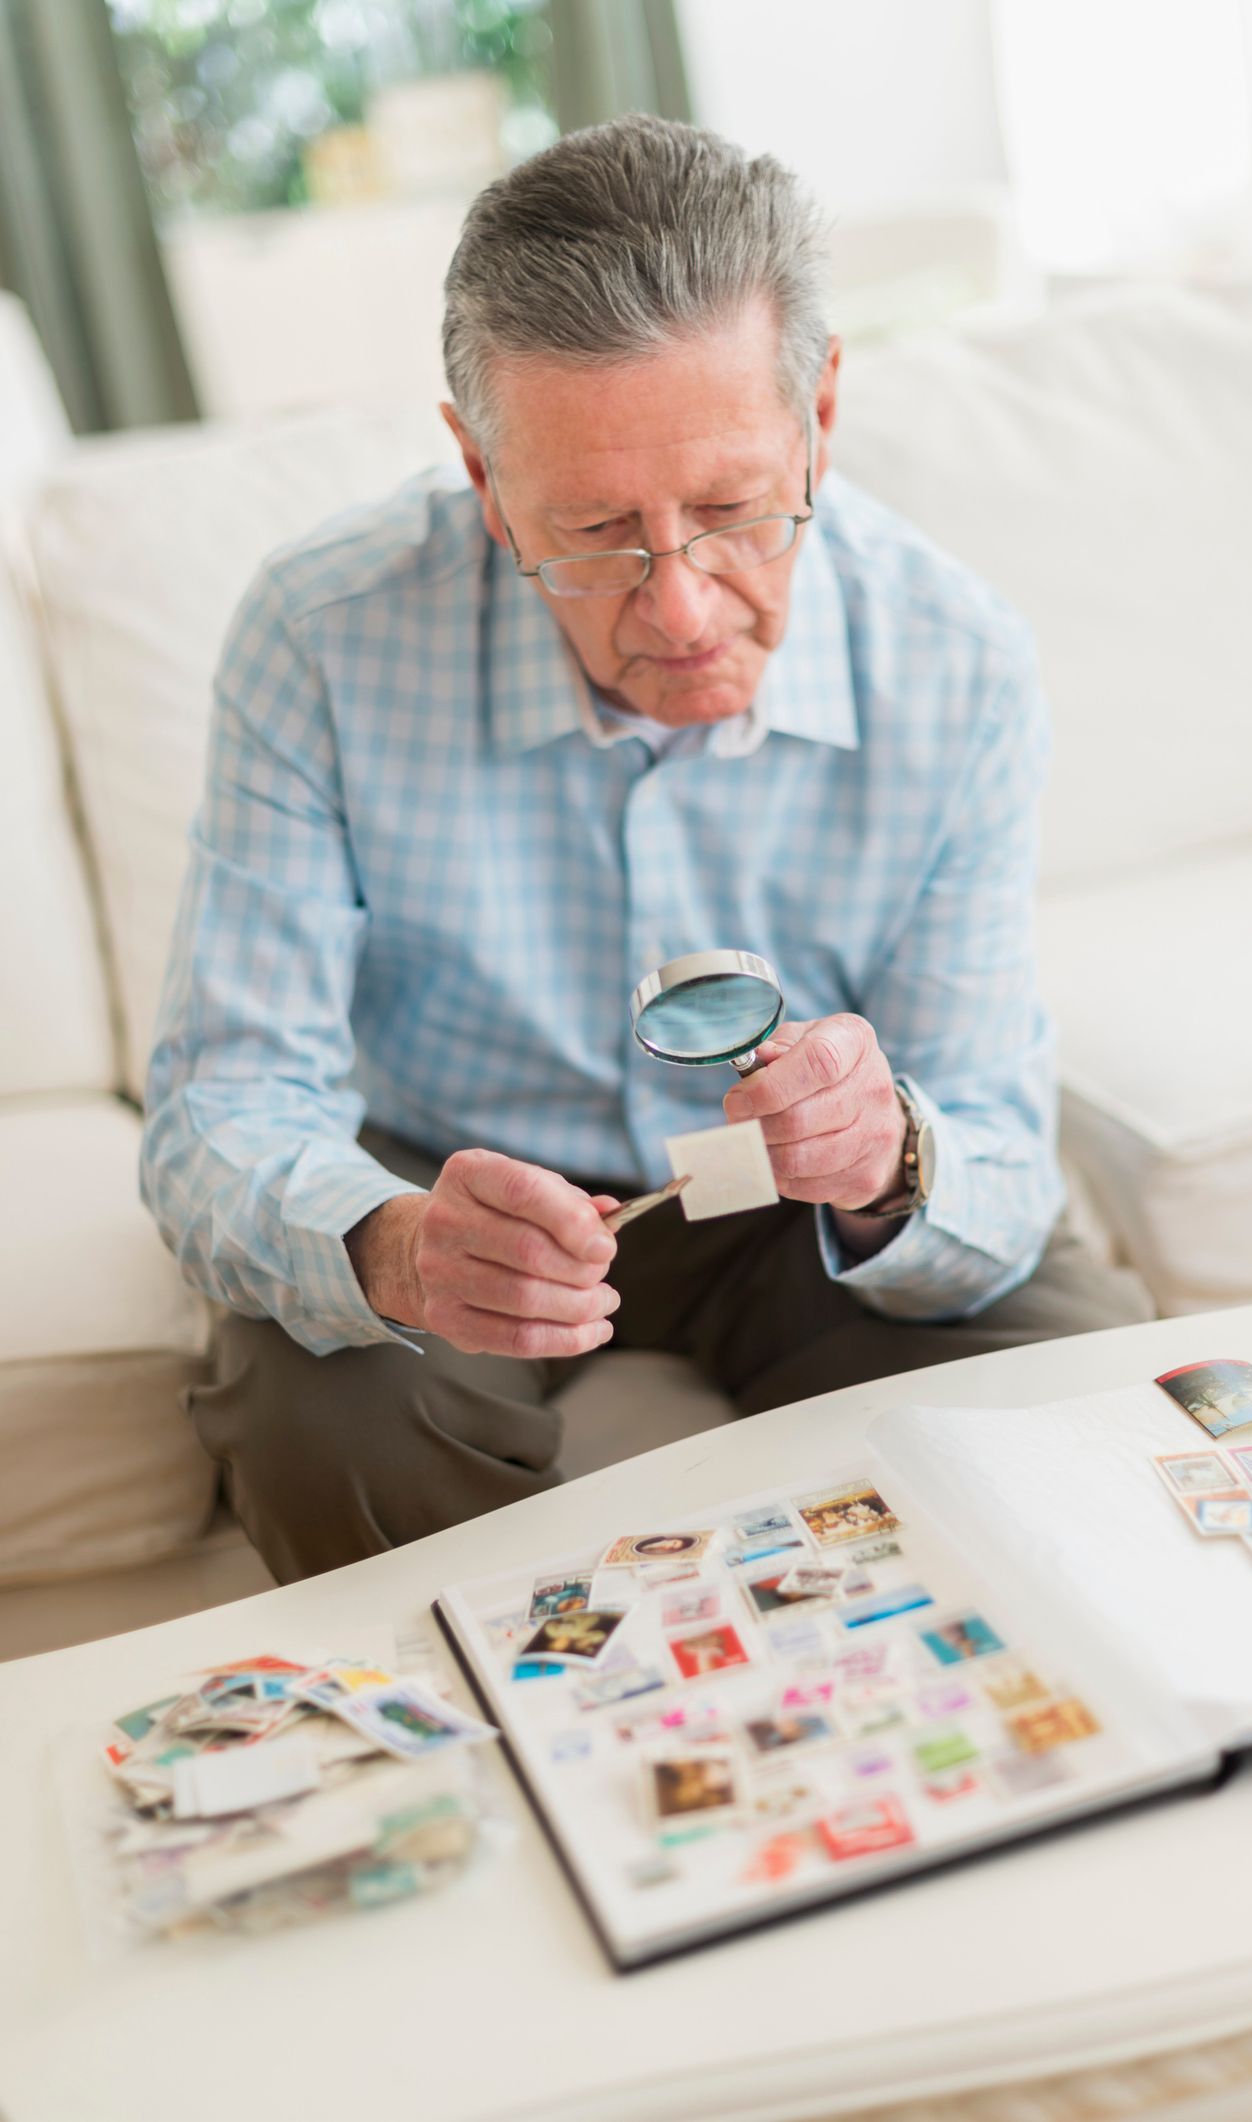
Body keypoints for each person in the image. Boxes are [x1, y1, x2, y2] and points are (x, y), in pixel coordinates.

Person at [140, 115, 1152, 1587]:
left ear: (820, 414)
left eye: (735, 513)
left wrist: (886, 1158)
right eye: (598, 531)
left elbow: (994, 1137)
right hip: (444, 1176)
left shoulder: (960, 660)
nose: (680, 610)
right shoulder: (321, 633)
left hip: (790, 1201)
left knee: (1090, 1404)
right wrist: (393, 1245)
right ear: (483, 479)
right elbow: (222, 1098)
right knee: (324, 1424)